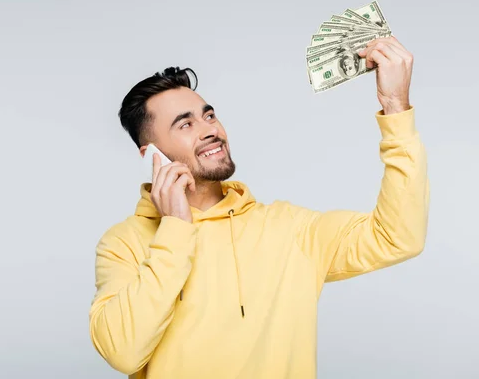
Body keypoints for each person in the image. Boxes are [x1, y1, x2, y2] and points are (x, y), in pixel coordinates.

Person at [88, 36, 429, 379]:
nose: (210, 130)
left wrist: (395, 108)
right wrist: (175, 228)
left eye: (209, 116)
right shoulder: (123, 244)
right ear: (151, 155)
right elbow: (123, 353)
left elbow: (397, 237)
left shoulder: (290, 229)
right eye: (185, 124)